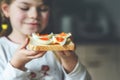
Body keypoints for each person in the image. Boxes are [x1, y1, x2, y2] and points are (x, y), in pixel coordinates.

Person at [0, 0, 91, 80]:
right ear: (6, 9)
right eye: (25, 8)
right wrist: (17, 65)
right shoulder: (1, 48)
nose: (34, 15)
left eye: (43, 9)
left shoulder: (58, 47)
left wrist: (70, 62)